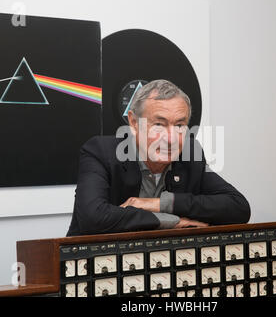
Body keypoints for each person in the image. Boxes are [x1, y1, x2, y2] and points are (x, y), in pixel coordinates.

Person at [66, 80, 250, 236]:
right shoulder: (100, 151)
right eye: (159, 124)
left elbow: (238, 208)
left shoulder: (190, 154)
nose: (171, 138)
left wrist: (159, 204)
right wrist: (171, 221)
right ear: (133, 122)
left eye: (179, 125)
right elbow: (93, 218)